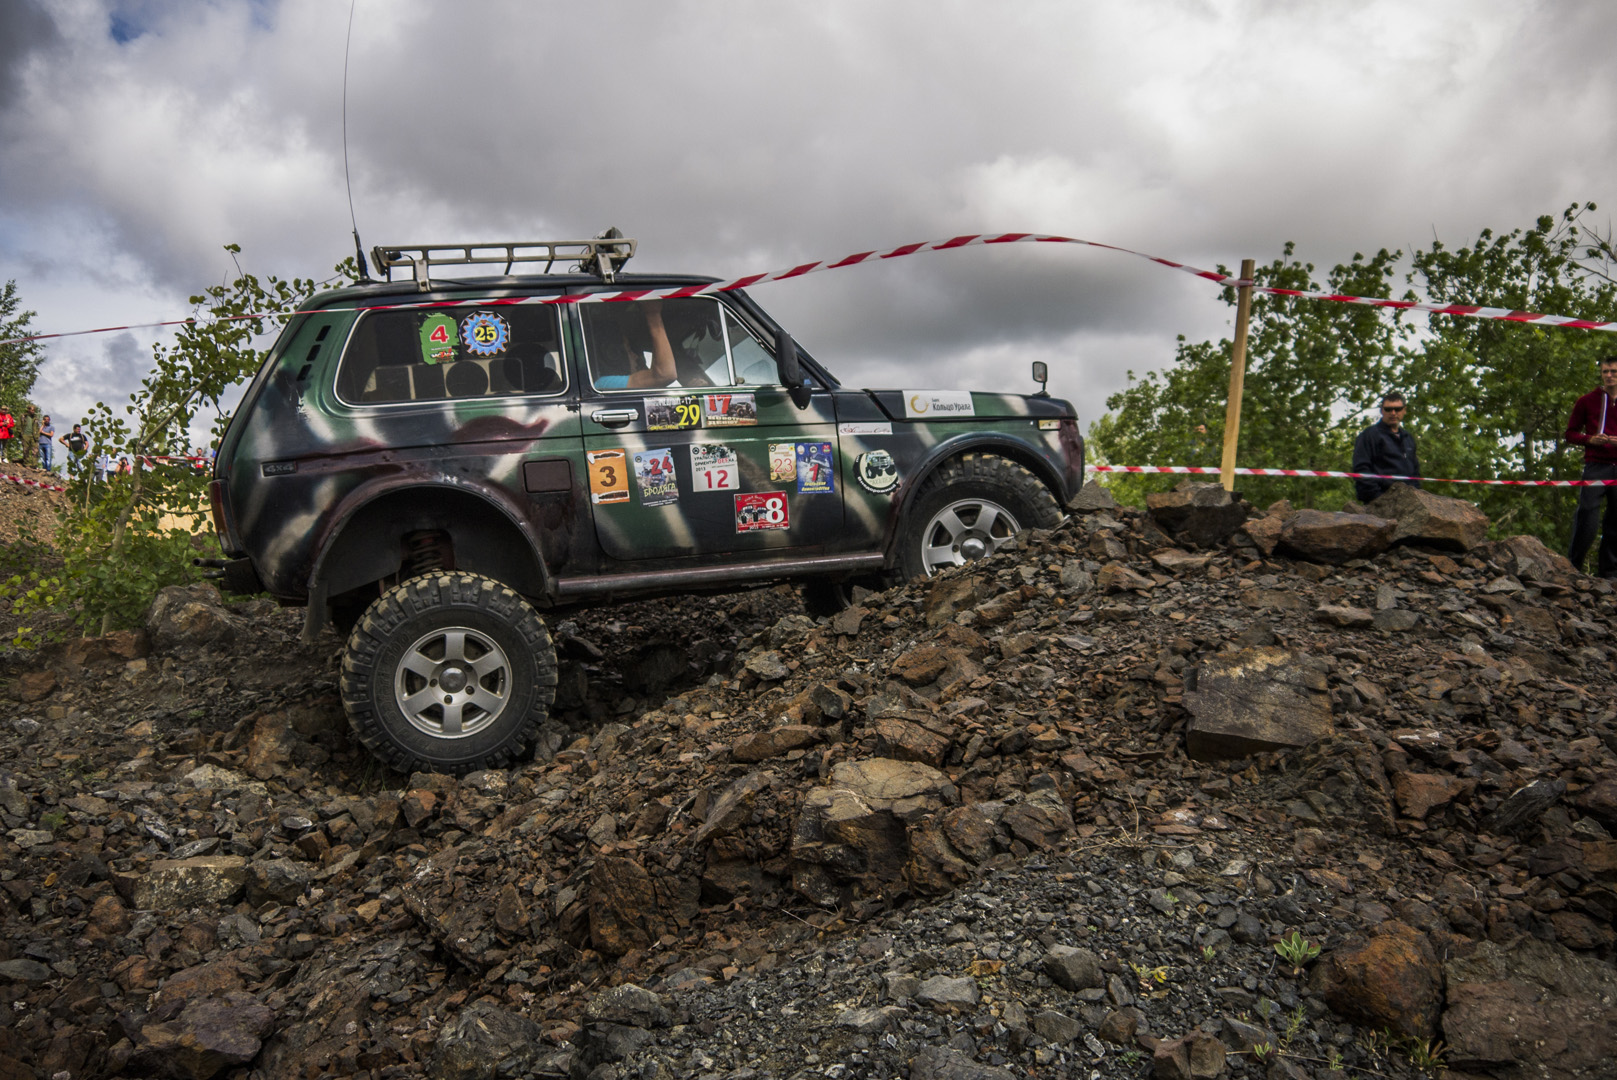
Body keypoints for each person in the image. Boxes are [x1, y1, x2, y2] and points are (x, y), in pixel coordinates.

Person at [1564, 355, 1617, 577]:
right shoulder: (1586, 401)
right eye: (1605, 371)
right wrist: (1590, 439)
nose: (1609, 376)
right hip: (1596, 466)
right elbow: (1570, 433)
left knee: (1615, 520)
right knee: (1587, 514)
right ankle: (1573, 567)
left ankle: (1609, 574)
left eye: (1613, 371)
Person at [1351, 392, 1421, 504]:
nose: (1393, 413)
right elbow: (1361, 469)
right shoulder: (1369, 435)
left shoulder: (1408, 438)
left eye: (1397, 409)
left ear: (1404, 410)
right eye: (1388, 409)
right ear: (1381, 410)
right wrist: (1377, 497)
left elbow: (1415, 471)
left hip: (1408, 500)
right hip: (1379, 500)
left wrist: (1416, 493)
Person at [590, 300, 678, 389]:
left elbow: (656, 379)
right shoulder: (602, 384)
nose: (636, 356)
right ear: (613, 355)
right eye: (629, 350)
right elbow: (665, 375)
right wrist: (653, 314)